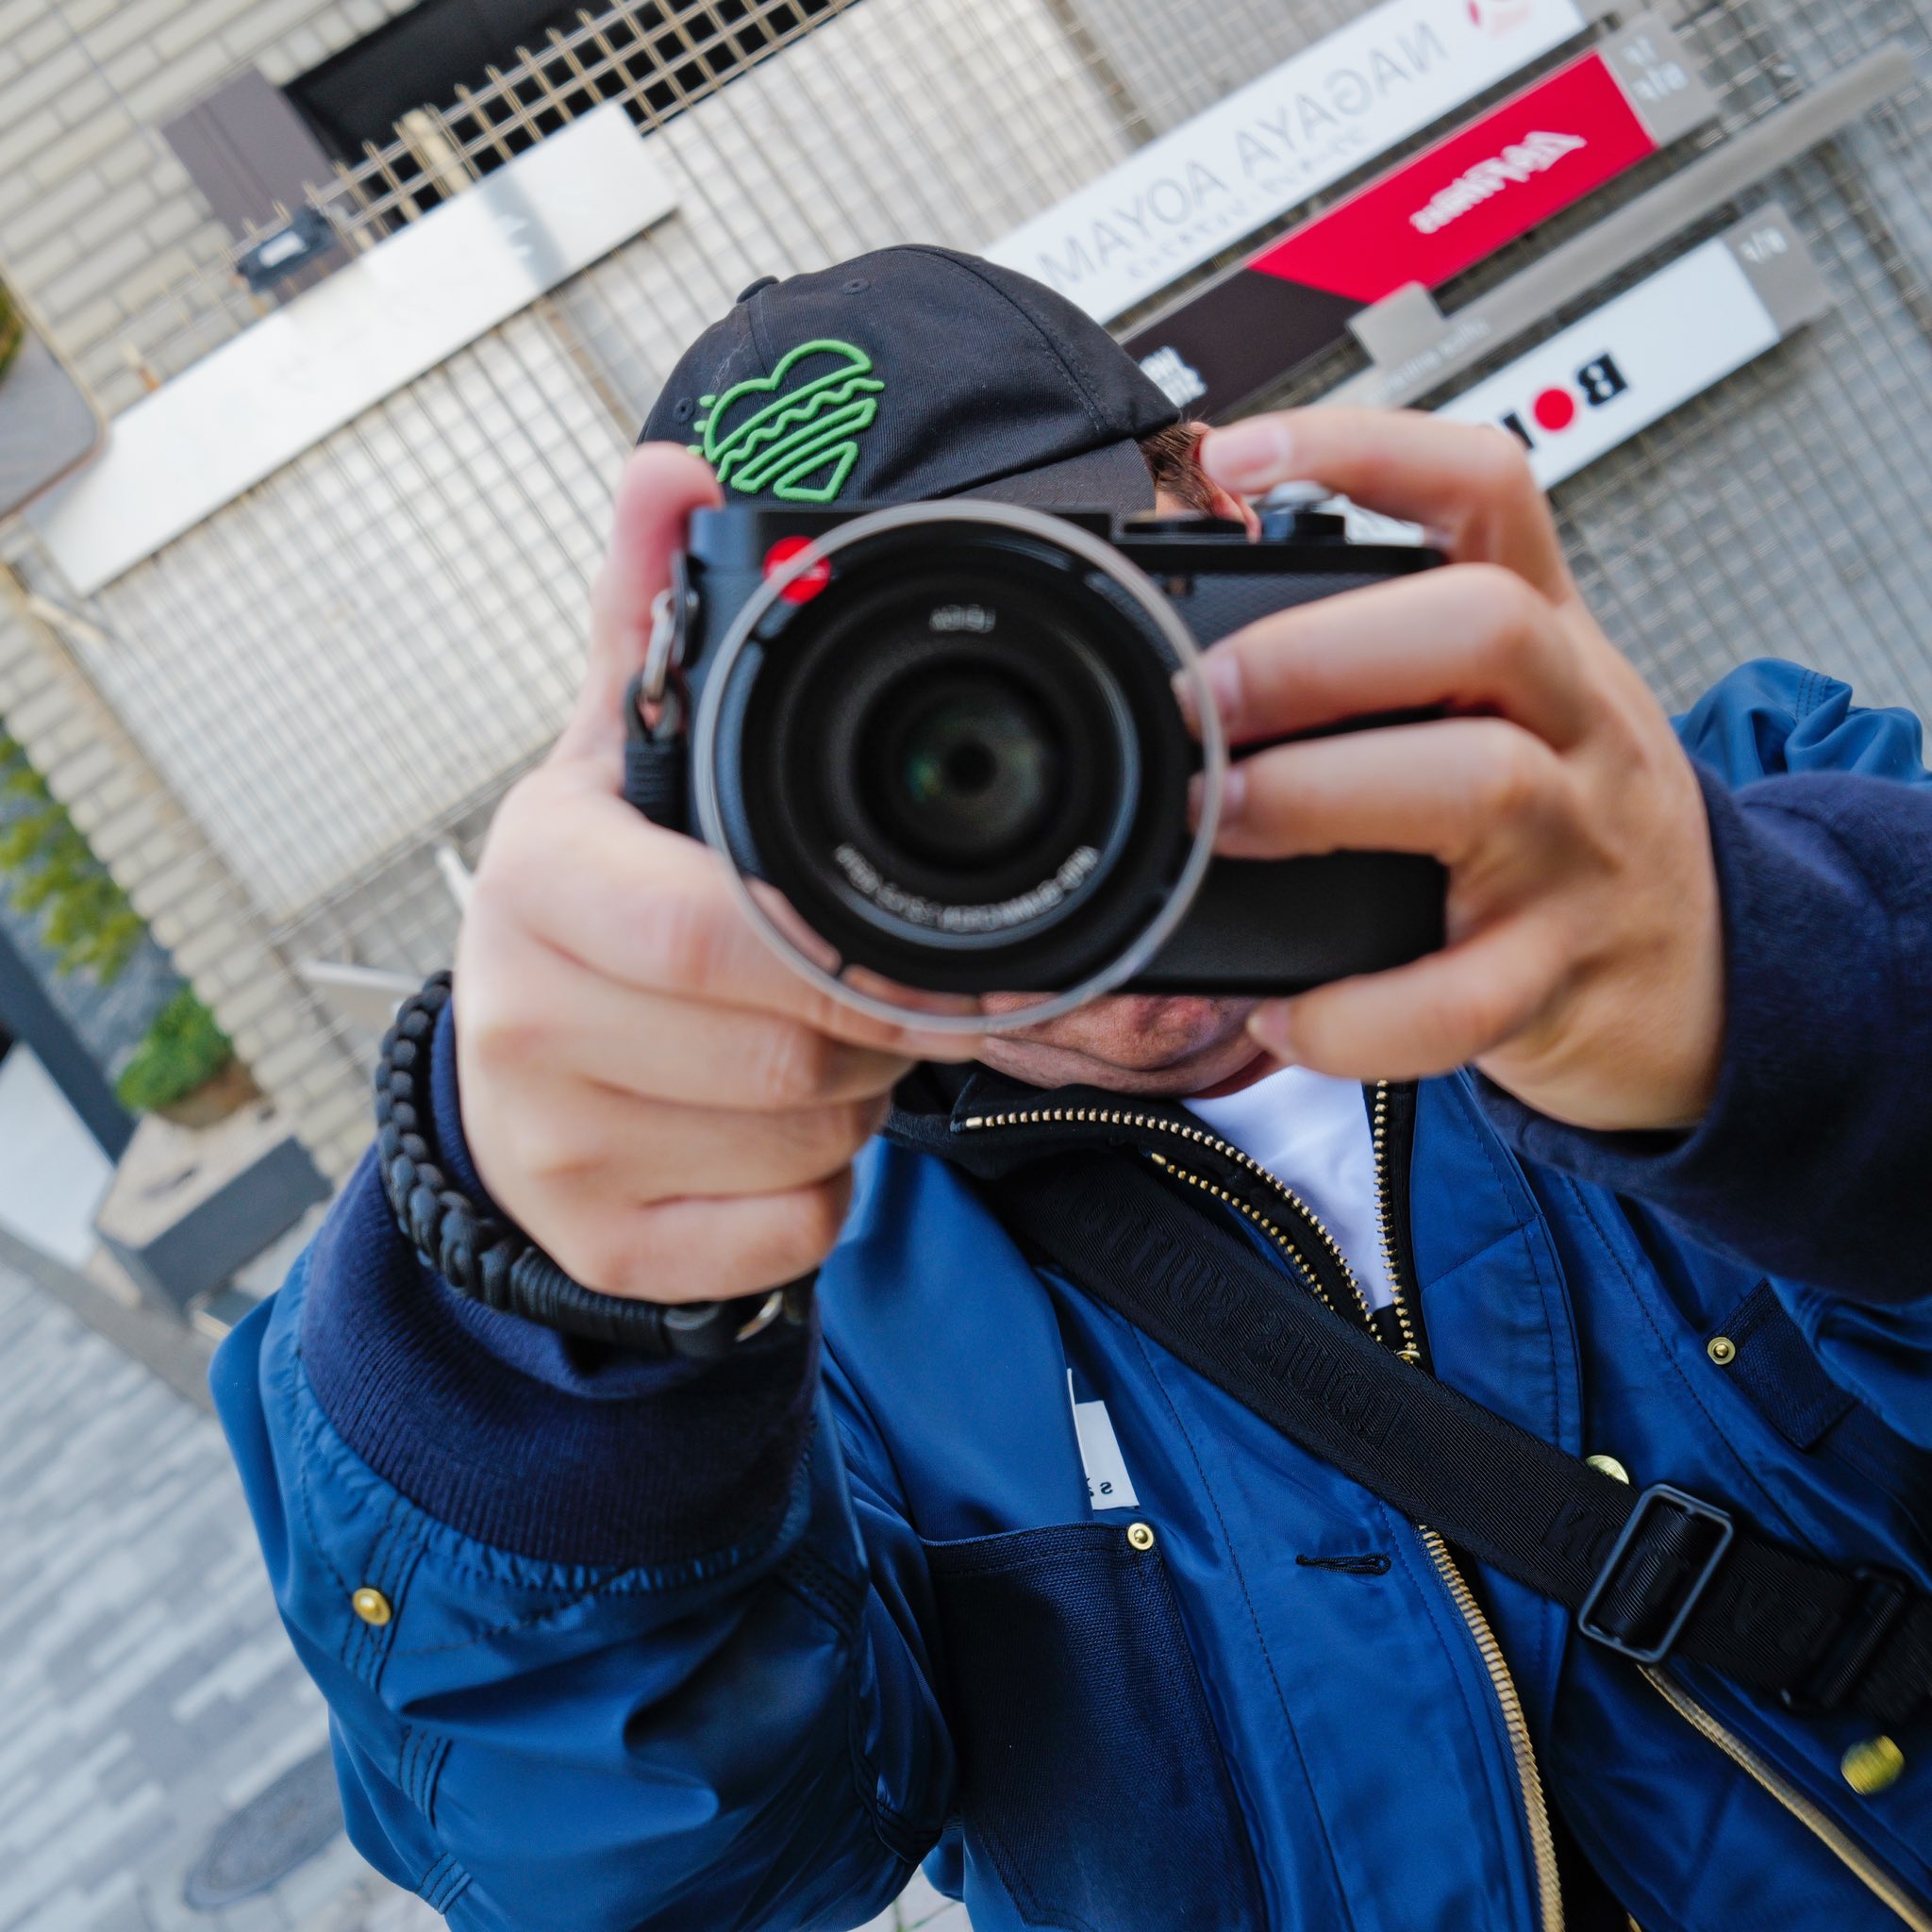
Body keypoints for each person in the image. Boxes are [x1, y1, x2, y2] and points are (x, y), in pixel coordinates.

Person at [214, 246, 1932, 1932]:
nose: (1011, 780)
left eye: (1071, 622)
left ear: (1224, 530)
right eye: (884, 741)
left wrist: (1768, 1010)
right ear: (737, 812)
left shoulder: (1704, 857)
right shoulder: (793, 1292)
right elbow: (653, 1883)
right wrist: (534, 1341)